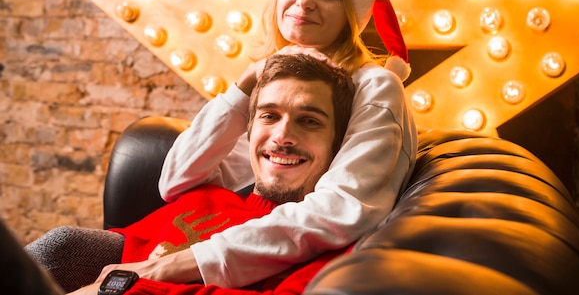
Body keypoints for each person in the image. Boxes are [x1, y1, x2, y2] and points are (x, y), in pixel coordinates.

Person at [120, 0, 418, 288]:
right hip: (233, 234)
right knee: (64, 246)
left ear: (350, 13)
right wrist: (244, 85)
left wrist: (183, 263)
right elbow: (176, 181)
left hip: (279, 261)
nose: (304, 1)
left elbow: (342, 209)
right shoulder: (276, 76)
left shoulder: (374, 86)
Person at [27, 52, 355, 295]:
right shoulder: (207, 196)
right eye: (269, 116)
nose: (282, 136)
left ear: (337, 143)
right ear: (250, 128)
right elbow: (120, 250)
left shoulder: (327, 245)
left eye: (310, 121)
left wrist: (120, 290)